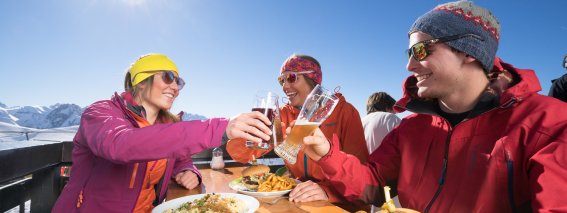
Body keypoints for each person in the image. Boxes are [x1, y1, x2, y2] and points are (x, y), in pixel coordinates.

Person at [298, 1, 567, 212]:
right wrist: (326, 154)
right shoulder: (412, 127)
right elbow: (374, 184)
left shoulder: (548, 125)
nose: (409, 65)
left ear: (469, 51)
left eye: (422, 51)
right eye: (409, 53)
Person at [52, 53, 273, 213]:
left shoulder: (165, 123)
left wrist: (188, 170)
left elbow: (178, 158)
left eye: (179, 81)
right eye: (168, 77)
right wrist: (220, 128)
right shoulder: (100, 113)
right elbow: (121, 145)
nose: (176, 87)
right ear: (140, 81)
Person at [226, 54, 369, 207]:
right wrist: (245, 135)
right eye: (281, 80)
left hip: (340, 203)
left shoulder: (344, 111)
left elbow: (361, 173)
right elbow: (243, 156)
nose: (284, 86)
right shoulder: (281, 115)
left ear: (313, 79)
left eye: (291, 78)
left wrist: (328, 191)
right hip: (299, 198)